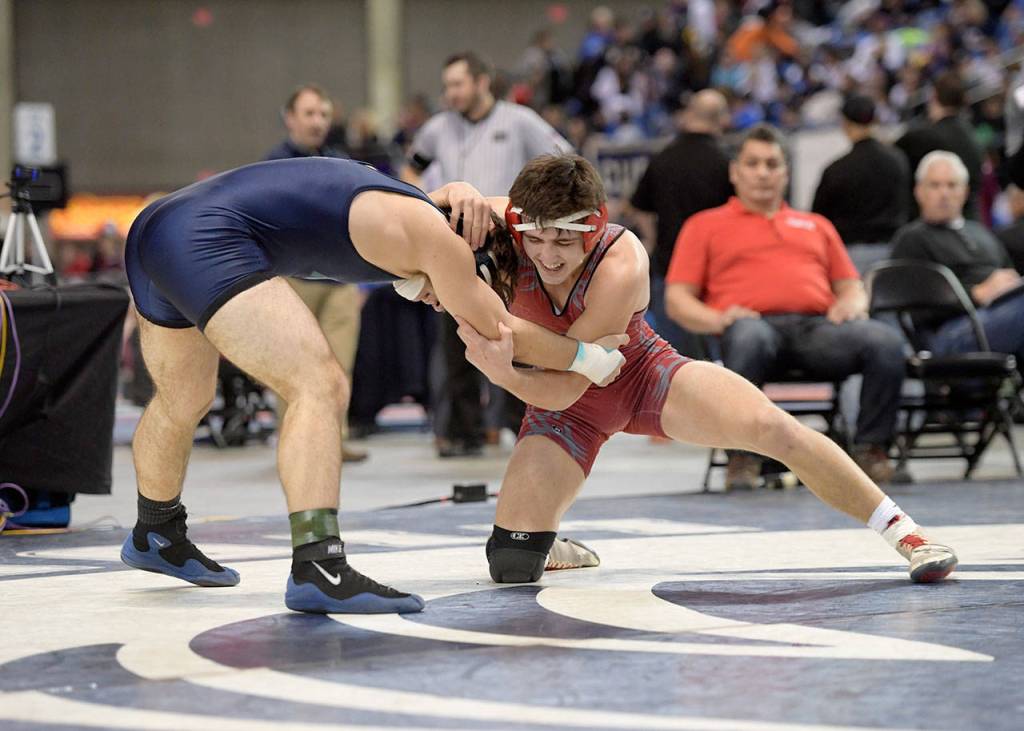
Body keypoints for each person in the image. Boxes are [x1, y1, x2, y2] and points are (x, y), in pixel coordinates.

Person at [120, 156, 626, 616]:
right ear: (479, 263)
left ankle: (156, 529)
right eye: (460, 293)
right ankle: (319, 562)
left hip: (157, 226)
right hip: (204, 236)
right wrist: (589, 358)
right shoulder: (443, 243)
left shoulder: (408, 212)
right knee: (319, 384)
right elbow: (502, 331)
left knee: (183, 398)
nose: (443, 304)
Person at [441, 153, 956, 585]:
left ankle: (907, 533)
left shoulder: (621, 262)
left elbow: (573, 384)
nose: (547, 256)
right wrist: (455, 191)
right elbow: (417, 213)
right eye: (536, 240)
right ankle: (552, 541)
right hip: (562, 400)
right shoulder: (509, 219)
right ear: (518, 223)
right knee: (510, 565)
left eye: (563, 242)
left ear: (594, 229)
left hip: (640, 376)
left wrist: (506, 374)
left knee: (773, 428)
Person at [664, 124, 906, 488]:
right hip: (749, 327)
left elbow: (852, 286)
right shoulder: (704, 226)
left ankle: (871, 450)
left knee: (885, 341)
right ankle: (743, 457)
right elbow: (677, 299)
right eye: (753, 163)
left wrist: (852, 303)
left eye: (772, 164)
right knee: (749, 336)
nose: (763, 172)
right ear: (735, 172)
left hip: (816, 330)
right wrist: (716, 318)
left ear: (785, 173)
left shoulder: (816, 225)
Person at [401, 51, 572, 458]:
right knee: (454, 337)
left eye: (458, 84)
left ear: (481, 82)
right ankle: (461, 432)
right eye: (446, 86)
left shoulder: (519, 121)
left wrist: (537, 212)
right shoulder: (437, 128)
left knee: (517, 333)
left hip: (511, 242)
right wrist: (422, 206)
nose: (451, 94)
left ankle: (523, 425)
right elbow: (410, 170)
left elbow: (564, 161)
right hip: (454, 242)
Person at [264, 84, 367, 463]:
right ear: (290, 119)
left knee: (339, 365)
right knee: (293, 366)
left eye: (323, 114)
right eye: (309, 114)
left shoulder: (340, 162)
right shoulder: (272, 166)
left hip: (339, 282)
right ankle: (293, 441)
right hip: (293, 282)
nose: (318, 121)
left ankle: (333, 441)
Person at [627, 89, 733, 358]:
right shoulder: (727, 162)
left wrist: (651, 238)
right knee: (726, 359)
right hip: (718, 270)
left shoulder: (663, 158)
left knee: (677, 360)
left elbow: (637, 206)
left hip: (670, 267)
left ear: (688, 116)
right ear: (721, 119)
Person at [891, 150, 1024, 362]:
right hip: (949, 330)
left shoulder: (983, 233)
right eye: (935, 185)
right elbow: (915, 308)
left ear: (964, 191)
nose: (944, 193)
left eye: (952, 185)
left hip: (1001, 317)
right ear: (919, 192)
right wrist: (976, 294)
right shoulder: (911, 239)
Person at [811, 94, 909, 245]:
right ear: (874, 120)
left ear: (845, 124)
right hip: (893, 248)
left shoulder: (837, 169)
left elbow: (819, 217)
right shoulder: (898, 159)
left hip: (850, 249)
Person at [895, 71, 983, 220]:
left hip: (930, 222)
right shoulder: (973, 135)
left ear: (934, 97)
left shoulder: (920, 137)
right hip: (969, 218)